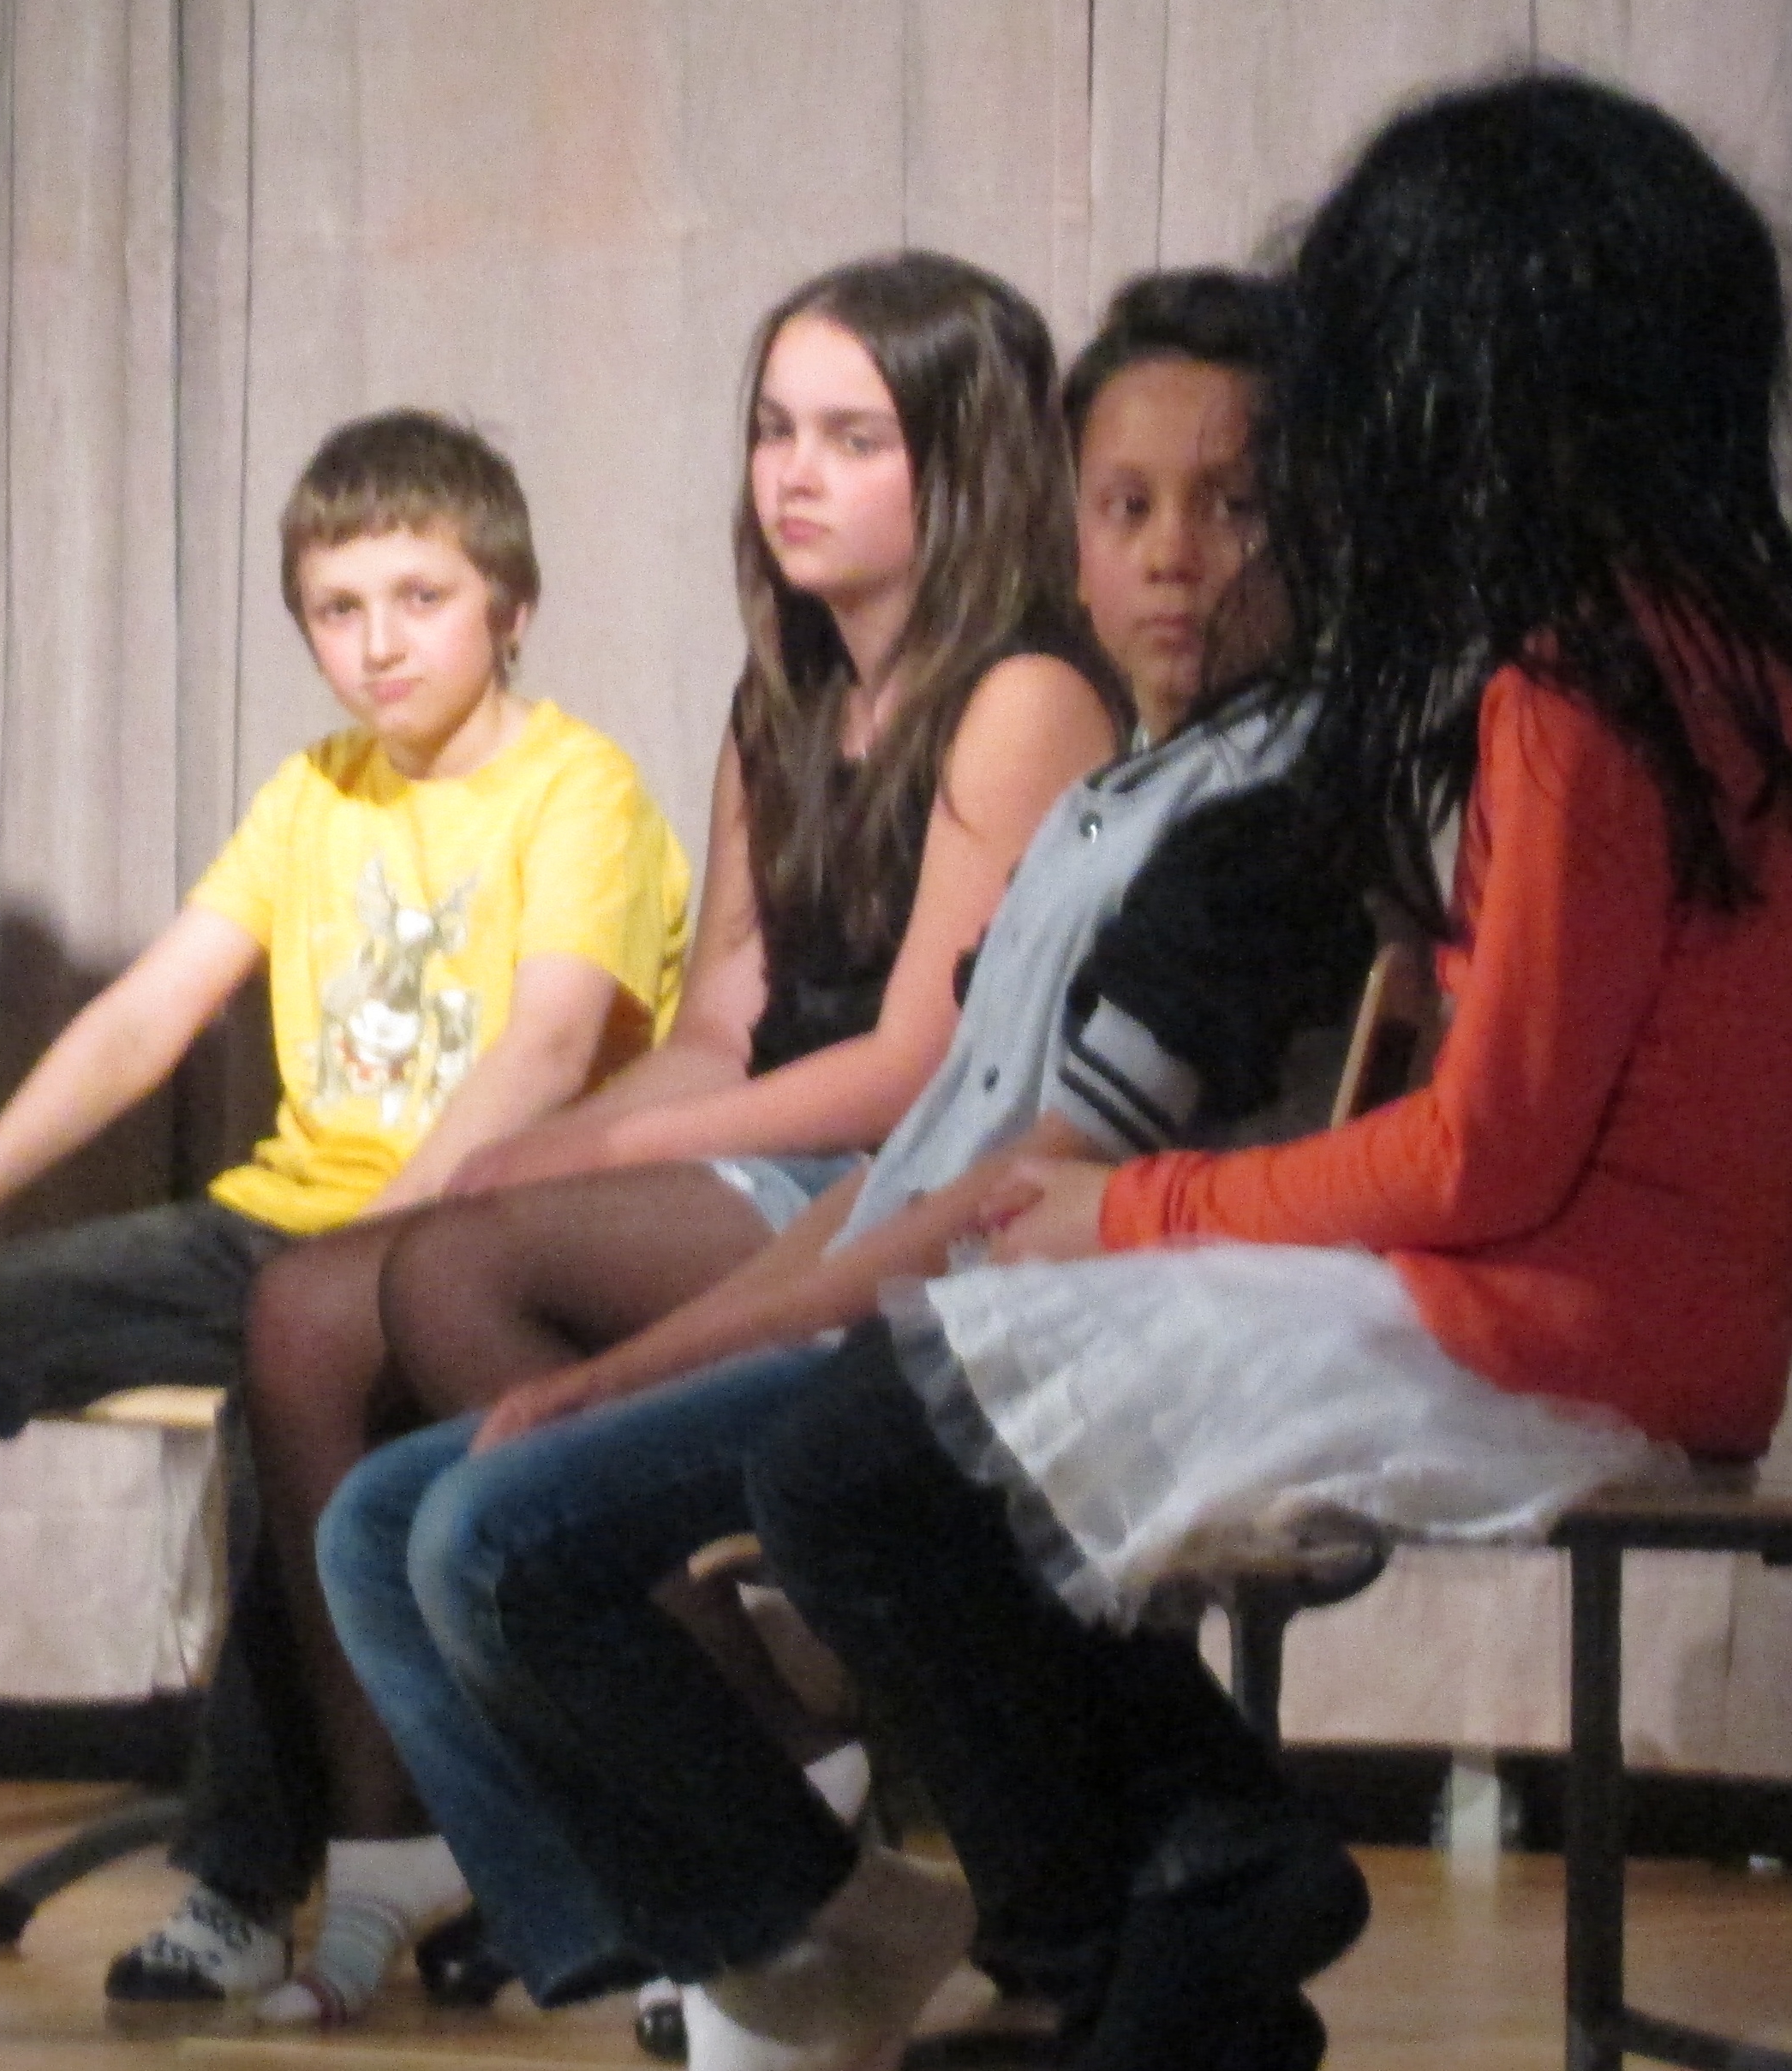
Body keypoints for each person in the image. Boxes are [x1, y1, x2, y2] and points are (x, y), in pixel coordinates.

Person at [604, 72, 1792, 2071]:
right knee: (891, 1440)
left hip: (1575, 1327)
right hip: (1633, 1305)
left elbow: (1483, 1154)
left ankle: (1141, 1914)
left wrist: (1134, 1204)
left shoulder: (1583, 686)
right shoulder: (1747, 653)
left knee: (864, 1458)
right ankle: (1181, 1916)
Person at [311, 270, 1377, 2053]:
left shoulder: (1172, 770)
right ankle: (795, 1927)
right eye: (1128, 507)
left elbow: (983, 1155)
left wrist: (647, 1345)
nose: (1174, 556)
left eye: (1231, 505)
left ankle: (1041, 1913)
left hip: (1040, 1306)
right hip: (919, 1257)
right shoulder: (1098, 785)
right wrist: (603, 1264)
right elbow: (880, 1116)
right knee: (375, 1515)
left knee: (526, 1519)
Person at [183, 254, 1119, 2021]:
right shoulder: (785, 694)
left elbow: (917, 1065)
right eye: (775, 429)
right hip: (774, 1146)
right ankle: (415, 1842)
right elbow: (720, 1025)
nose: (793, 472)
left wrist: (590, 1166)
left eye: (852, 437)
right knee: (315, 1299)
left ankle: (768, 1764)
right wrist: (547, 1148)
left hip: (917, 1180)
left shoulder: (1019, 693)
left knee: (456, 1273)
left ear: (965, 463)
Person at [0, 410, 692, 1973]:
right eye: (337, 609)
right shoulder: (318, 789)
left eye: (419, 598)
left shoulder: (579, 789)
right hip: (281, 1221)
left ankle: (239, 1887)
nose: (378, 643)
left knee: (299, 1369)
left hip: (468, 1249)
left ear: (511, 605)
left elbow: (550, 1044)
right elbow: (146, 1014)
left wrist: (382, 1239)